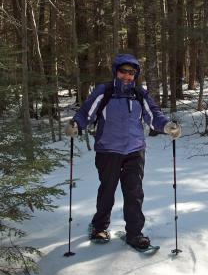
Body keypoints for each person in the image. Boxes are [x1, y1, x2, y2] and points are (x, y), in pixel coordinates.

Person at [65, 53, 181, 250]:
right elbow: (87, 112)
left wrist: (167, 126)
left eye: (131, 73)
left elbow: (154, 115)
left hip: (135, 150)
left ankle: (135, 234)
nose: (127, 76)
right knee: (107, 191)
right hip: (108, 150)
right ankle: (99, 227)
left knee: (134, 193)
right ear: (116, 71)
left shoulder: (139, 93)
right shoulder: (104, 91)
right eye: (123, 72)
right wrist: (76, 124)